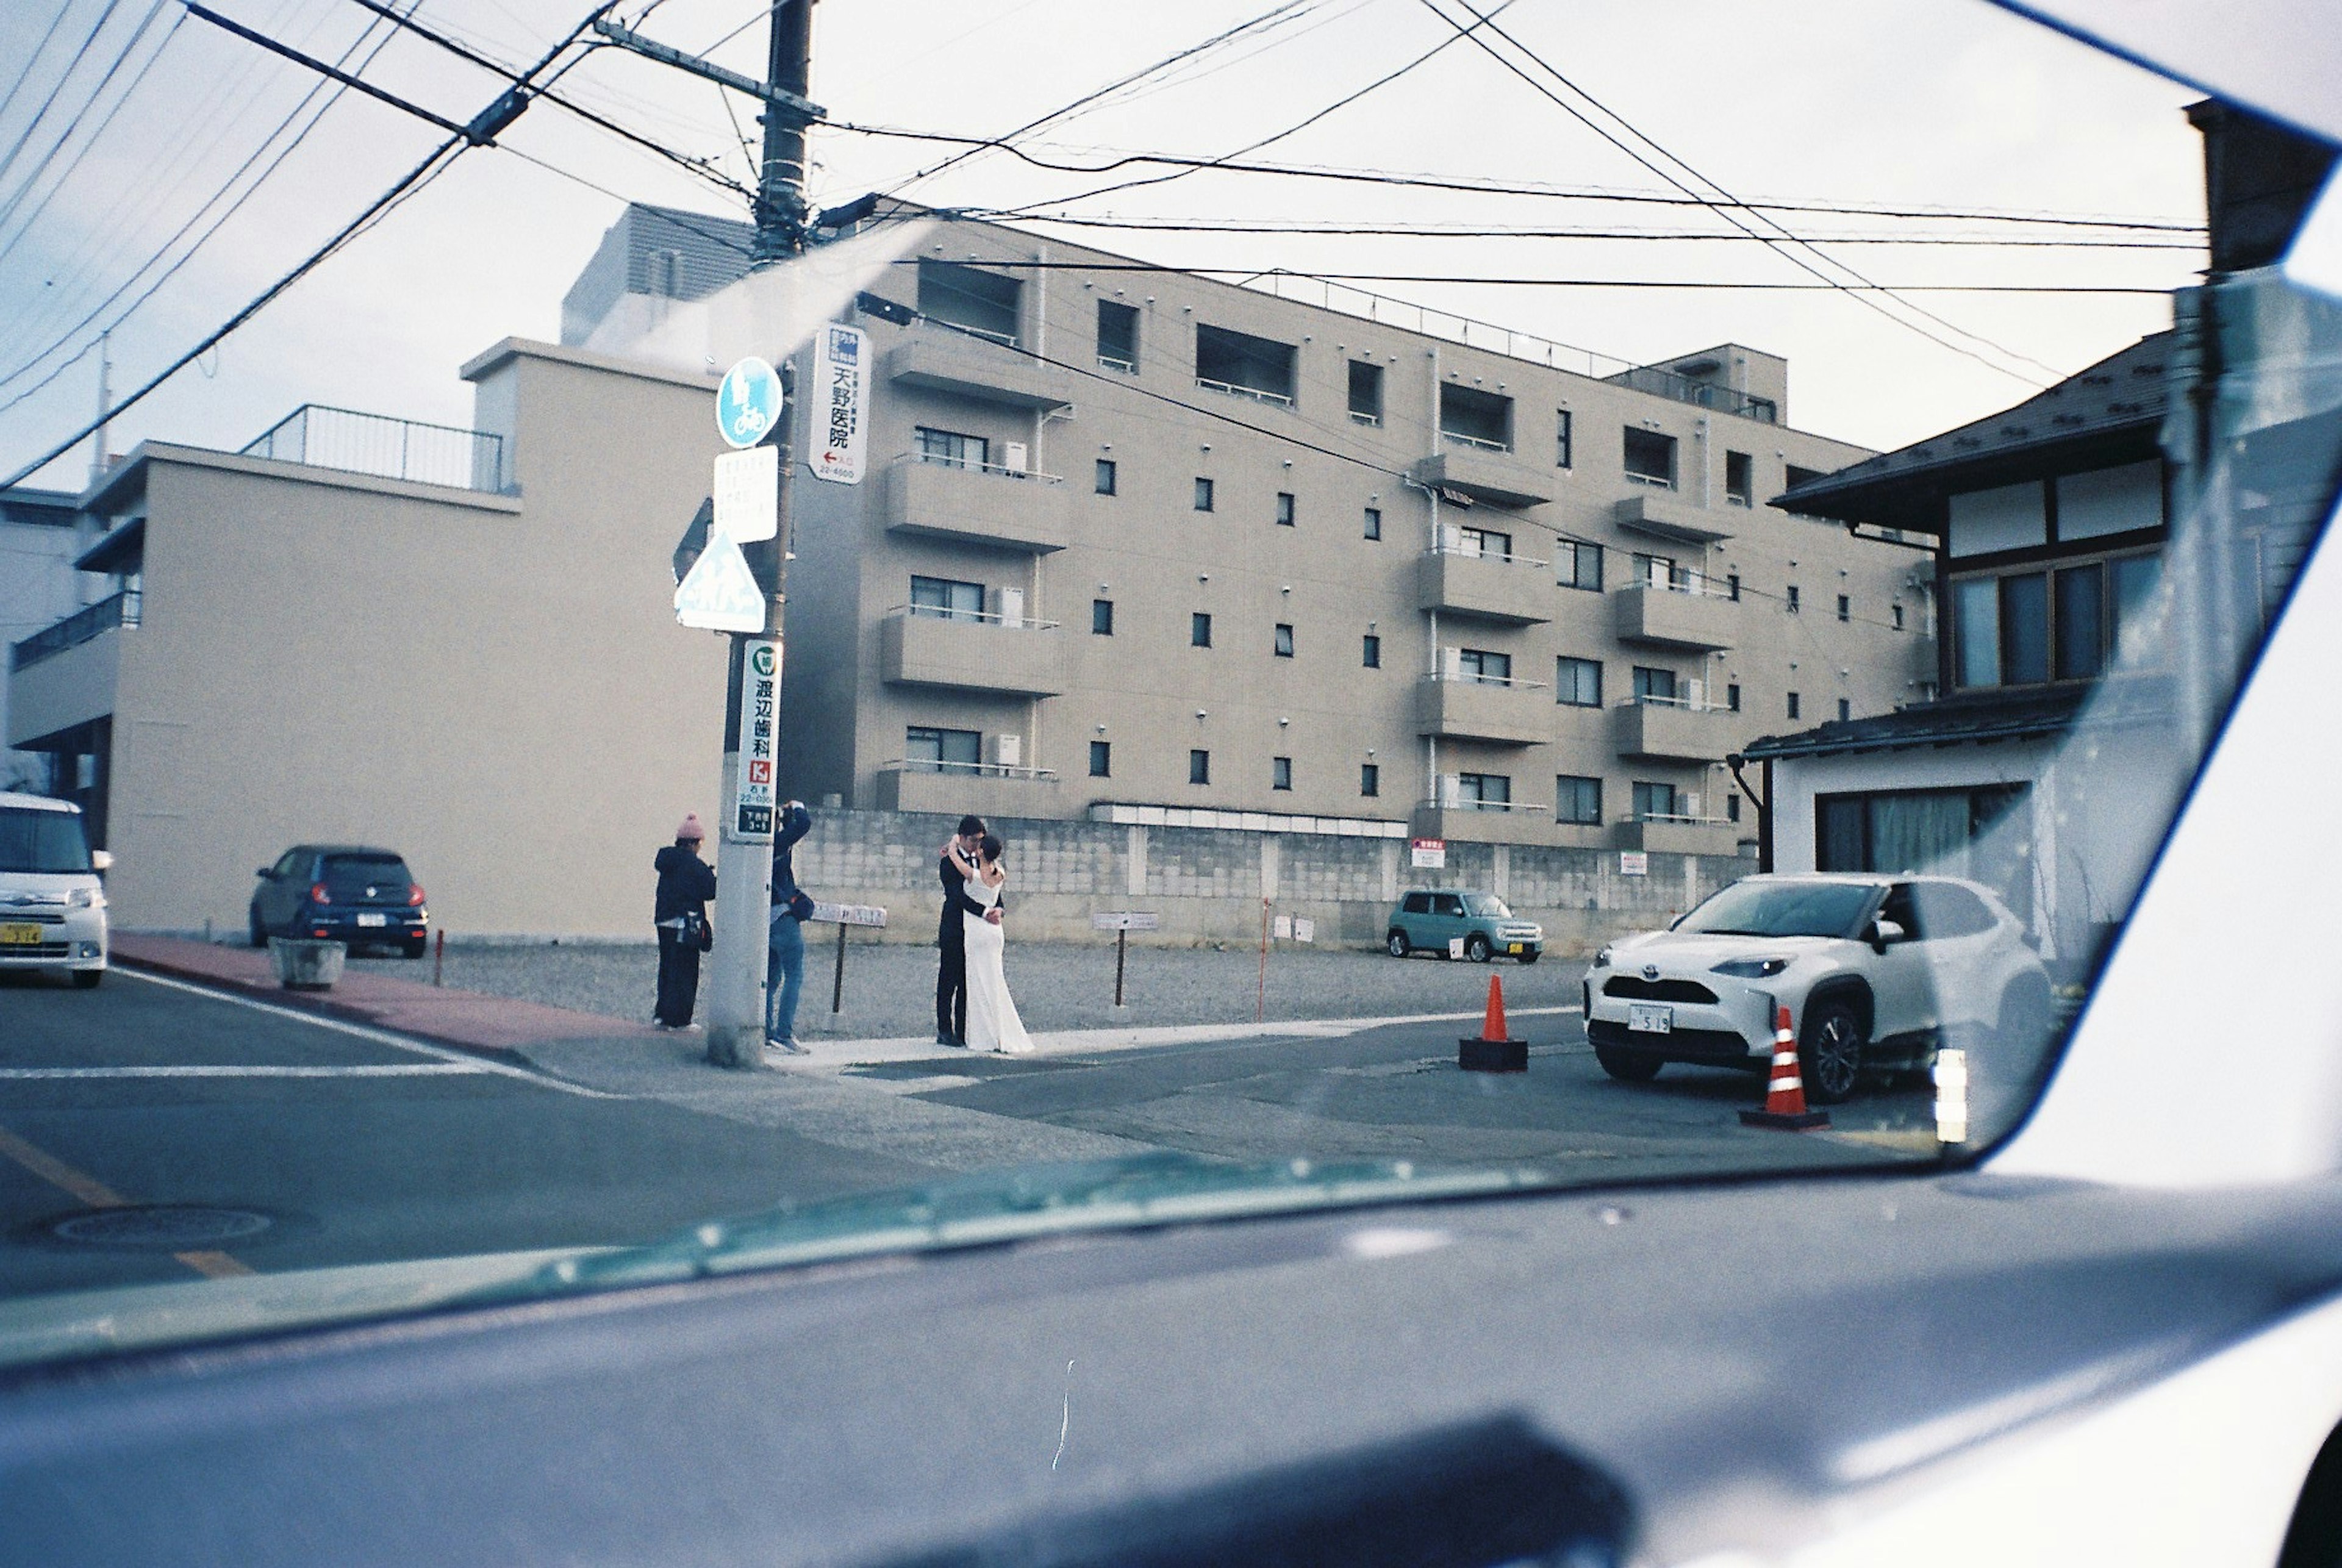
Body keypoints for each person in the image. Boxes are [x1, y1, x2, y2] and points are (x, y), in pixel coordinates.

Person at [948, 832, 1031, 1054]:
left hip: (977, 930)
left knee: (977, 983)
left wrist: (954, 842)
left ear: (982, 850)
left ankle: (982, 1035)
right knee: (995, 981)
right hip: (995, 932)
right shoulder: (1000, 874)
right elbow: (997, 897)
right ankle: (999, 1030)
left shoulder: (973, 876)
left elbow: (954, 858)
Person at [935, 814, 1003, 1047]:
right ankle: (945, 1029)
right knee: (948, 980)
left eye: (980, 841)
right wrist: (985, 912)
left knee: (969, 982)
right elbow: (957, 896)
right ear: (962, 838)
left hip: (977, 933)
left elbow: (996, 892)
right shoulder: (948, 863)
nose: (977, 845)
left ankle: (965, 1029)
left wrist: (999, 910)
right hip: (954, 928)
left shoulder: (981, 862)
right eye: (974, 840)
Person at [652, 814, 716, 1030]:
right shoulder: (694, 865)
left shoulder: (667, 861)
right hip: (685, 924)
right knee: (686, 971)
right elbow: (711, 890)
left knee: (667, 969)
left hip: (663, 921)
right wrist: (710, 874)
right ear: (694, 842)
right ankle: (680, 1019)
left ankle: (662, 1014)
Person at [766, 800, 814, 1055]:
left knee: (771, 978)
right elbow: (804, 824)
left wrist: (785, 818)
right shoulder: (777, 843)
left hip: (764, 919)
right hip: (783, 917)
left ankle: (765, 1031)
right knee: (794, 975)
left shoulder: (760, 849)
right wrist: (797, 806)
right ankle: (785, 1033)